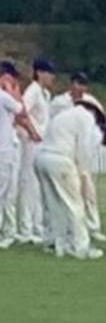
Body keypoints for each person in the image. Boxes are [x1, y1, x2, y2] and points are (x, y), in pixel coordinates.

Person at [35, 93, 106, 259]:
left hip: (41, 158)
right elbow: (83, 148)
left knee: (54, 205)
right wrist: (83, 174)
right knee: (75, 205)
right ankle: (81, 247)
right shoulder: (86, 118)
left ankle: (57, 244)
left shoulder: (64, 115)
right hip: (60, 160)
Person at [51, 73, 106, 242]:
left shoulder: (91, 102)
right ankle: (67, 229)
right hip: (65, 152)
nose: (81, 88)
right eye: (78, 84)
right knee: (68, 193)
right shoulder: (59, 102)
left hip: (84, 153)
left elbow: (100, 125)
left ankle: (93, 226)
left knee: (88, 192)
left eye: (83, 85)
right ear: (71, 84)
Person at [13, 58, 54, 245]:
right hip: (30, 142)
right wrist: (32, 131)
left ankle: (37, 227)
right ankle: (25, 228)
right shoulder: (33, 91)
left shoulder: (45, 94)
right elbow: (21, 112)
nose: (52, 77)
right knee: (28, 183)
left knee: (37, 186)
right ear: (39, 73)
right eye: (49, 73)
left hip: (41, 143)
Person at [0, 61, 40, 249]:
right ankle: (6, 230)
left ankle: (9, 230)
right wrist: (12, 91)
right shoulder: (3, 96)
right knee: (4, 192)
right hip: (5, 149)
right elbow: (21, 110)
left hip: (10, 146)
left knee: (9, 192)